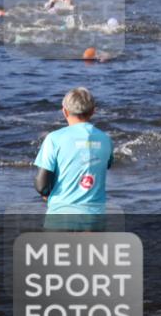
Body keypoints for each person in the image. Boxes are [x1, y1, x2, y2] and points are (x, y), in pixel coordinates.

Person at [33, 87, 114, 226]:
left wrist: (46, 194)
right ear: (93, 111)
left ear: (64, 111)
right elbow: (105, 165)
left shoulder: (54, 139)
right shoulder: (106, 139)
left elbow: (41, 185)